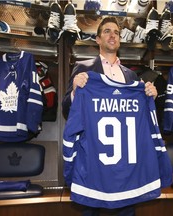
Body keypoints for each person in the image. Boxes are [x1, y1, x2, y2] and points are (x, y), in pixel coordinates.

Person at [62, 16, 159, 216]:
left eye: (116, 32)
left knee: (126, 210)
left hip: (125, 164)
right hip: (93, 161)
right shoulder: (83, 68)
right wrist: (74, 91)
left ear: (120, 39)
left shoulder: (131, 76)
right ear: (98, 39)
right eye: (107, 31)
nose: (112, 35)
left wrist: (150, 97)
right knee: (91, 211)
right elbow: (66, 110)